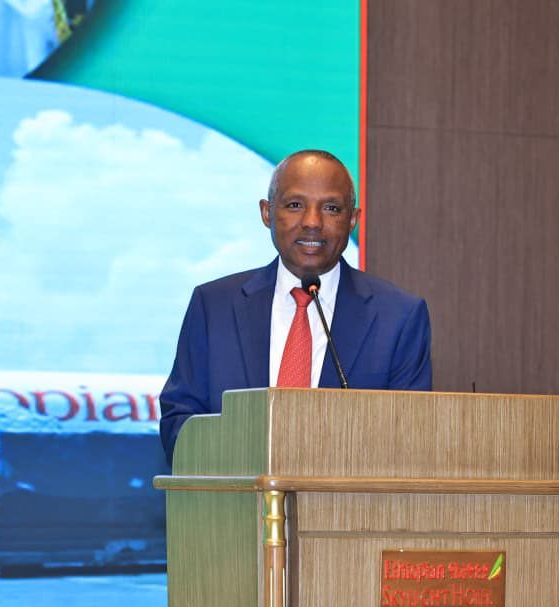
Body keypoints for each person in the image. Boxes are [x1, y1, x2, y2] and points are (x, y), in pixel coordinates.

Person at [159, 149, 432, 463]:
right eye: (295, 205)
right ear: (267, 213)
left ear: (353, 219)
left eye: (331, 208)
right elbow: (178, 425)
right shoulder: (214, 306)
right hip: (236, 492)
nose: (312, 222)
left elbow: (409, 442)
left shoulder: (398, 318)